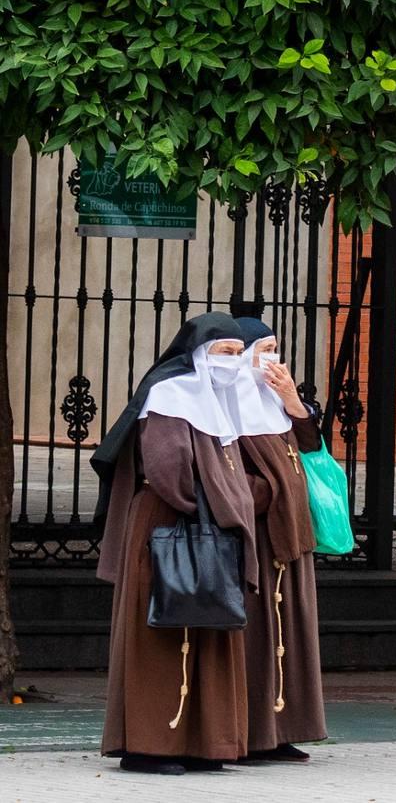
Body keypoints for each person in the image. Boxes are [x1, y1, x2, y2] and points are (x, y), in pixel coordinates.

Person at [92, 312, 257, 775]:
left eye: (239, 354)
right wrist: (218, 504)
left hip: (206, 523)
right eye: (225, 352)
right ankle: (148, 747)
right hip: (168, 524)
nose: (233, 363)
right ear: (199, 353)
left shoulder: (216, 400)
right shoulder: (170, 393)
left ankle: (203, 744)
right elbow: (169, 472)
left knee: (208, 627)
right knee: (159, 636)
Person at [229, 317, 328, 762]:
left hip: (291, 536)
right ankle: (250, 734)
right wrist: (270, 491)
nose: (272, 359)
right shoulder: (227, 403)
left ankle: (281, 730)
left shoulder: (275, 400)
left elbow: (309, 447)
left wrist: (293, 401)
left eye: (275, 349)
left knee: (291, 633)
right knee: (257, 637)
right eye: (263, 349)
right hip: (257, 538)